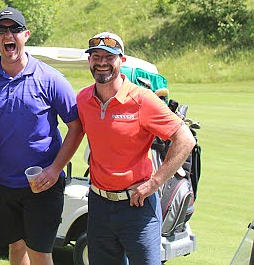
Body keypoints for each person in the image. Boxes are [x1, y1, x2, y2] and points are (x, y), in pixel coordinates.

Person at [0, 7, 83, 265]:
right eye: (2, 30)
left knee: (40, 253)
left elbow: (76, 127)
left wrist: (55, 169)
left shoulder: (51, 79)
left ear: (26, 35)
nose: (9, 35)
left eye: (15, 29)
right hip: (1, 183)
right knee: (15, 249)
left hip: (43, 183)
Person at [76, 32, 196, 264]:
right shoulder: (83, 99)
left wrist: (153, 183)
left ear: (122, 60)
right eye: (96, 56)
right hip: (99, 205)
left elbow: (185, 138)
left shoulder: (142, 99)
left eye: (109, 57)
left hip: (137, 206)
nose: (101, 62)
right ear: (89, 60)